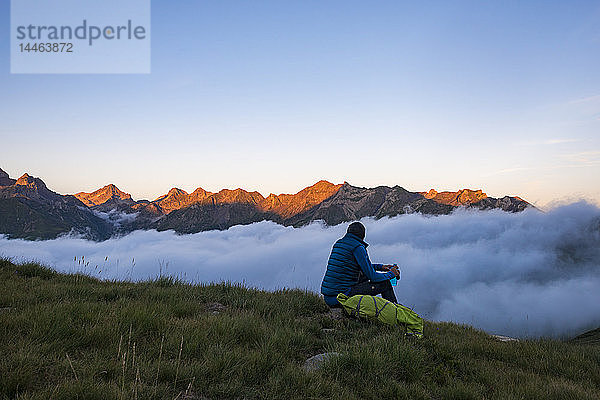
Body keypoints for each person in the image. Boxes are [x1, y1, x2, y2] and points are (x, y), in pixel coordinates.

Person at [321, 221, 400, 307]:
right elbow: (373, 277)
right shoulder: (358, 247)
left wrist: (381, 267)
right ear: (363, 235)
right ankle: (395, 310)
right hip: (340, 297)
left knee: (363, 276)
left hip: (329, 298)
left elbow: (359, 266)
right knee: (385, 283)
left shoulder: (339, 243)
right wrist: (392, 274)